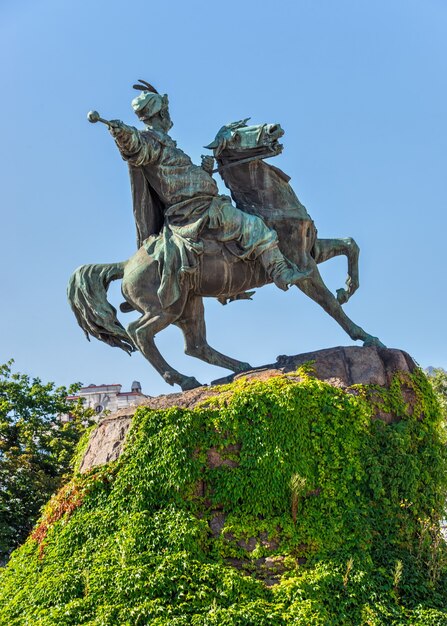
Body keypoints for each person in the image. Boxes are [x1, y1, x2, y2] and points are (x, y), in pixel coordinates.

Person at [108, 81, 309, 307]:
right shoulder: (150, 143)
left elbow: (180, 178)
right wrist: (123, 135)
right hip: (197, 210)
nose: (168, 114)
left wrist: (203, 172)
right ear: (160, 113)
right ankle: (280, 272)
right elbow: (135, 148)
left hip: (204, 203)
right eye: (165, 111)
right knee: (256, 227)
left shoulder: (166, 144)